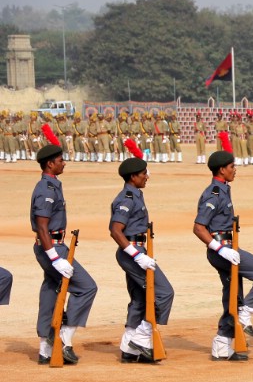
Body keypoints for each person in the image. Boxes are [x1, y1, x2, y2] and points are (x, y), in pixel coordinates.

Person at [193, 149, 253, 361]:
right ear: (222, 169)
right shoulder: (213, 193)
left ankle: (222, 344)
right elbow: (199, 227)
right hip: (221, 251)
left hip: (227, 249)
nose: (235, 170)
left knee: (233, 296)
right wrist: (221, 249)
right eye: (232, 167)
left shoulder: (223, 189)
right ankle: (244, 314)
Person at [31, 141, 98, 364]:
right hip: (52, 246)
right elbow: (42, 226)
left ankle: (45, 348)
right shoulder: (46, 189)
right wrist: (55, 258)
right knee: (86, 287)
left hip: (52, 245)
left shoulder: (52, 184)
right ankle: (64, 338)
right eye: (60, 161)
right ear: (50, 164)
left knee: (51, 289)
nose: (64, 163)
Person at [109, 153, 174, 363]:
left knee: (139, 299)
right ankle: (141, 337)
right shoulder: (126, 199)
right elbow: (115, 230)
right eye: (144, 173)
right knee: (164, 292)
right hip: (133, 253)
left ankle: (129, 348)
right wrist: (137, 256)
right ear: (133, 177)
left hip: (138, 250)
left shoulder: (135, 194)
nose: (147, 176)